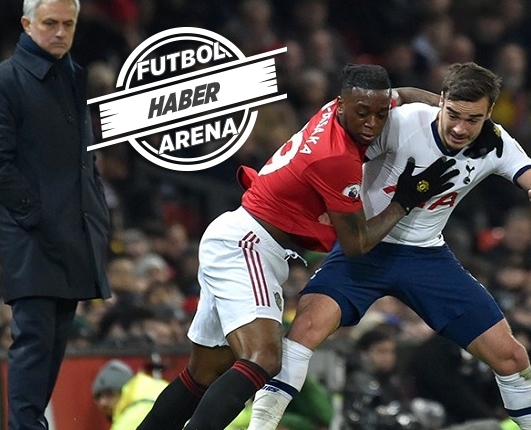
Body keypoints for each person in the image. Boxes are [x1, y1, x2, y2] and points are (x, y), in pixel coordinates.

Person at [248, 62, 531, 430]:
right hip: (365, 249)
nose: (460, 128)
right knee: (303, 330)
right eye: (453, 114)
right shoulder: (403, 123)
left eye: (473, 119)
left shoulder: (494, 143)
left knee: (511, 357)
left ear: (489, 113)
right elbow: (341, 153)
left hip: (427, 257)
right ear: (442, 100)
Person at [136, 64, 459, 430]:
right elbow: (356, 244)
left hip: (241, 236)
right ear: (341, 104)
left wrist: (449, 113)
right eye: (363, 113)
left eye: (381, 113)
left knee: (205, 372)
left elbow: (407, 93)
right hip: (249, 244)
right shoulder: (336, 158)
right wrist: (405, 200)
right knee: (264, 357)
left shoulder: (341, 108)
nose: (372, 123)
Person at [0, 0, 111, 429]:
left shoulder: (72, 75)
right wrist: (37, 215)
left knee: (53, 345)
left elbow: (85, 159)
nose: (60, 32)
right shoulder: (0, 84)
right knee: (34, 342)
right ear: (26, 24)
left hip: (73, 231)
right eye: (50, 23)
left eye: (68, 23)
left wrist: (95, 211)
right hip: (34, 238)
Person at [91, 359, 169, 430]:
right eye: (98, 397)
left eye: (109, 394)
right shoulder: (162, 388)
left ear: (124, 390)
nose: (103, 403)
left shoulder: (127, 422)